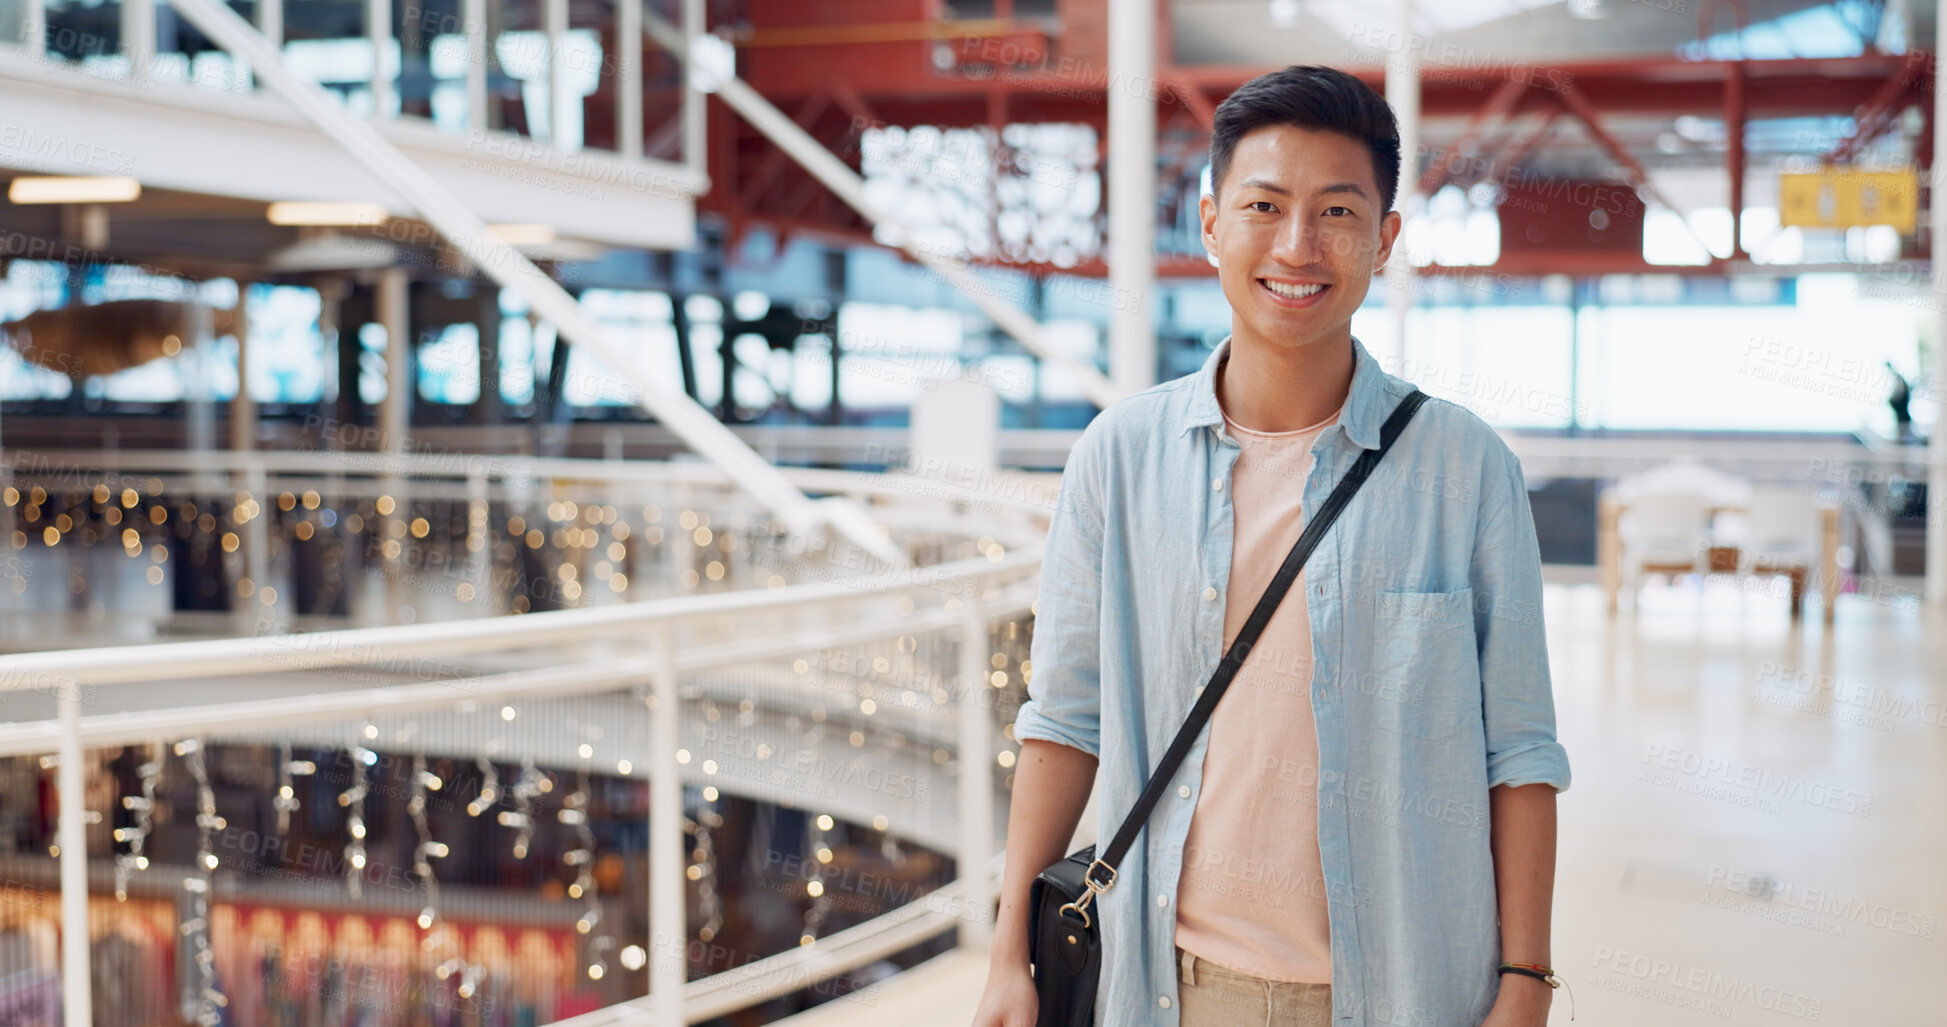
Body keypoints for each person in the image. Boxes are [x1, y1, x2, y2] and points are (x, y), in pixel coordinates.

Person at [971, 65, 1571, 1027]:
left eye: (1337, 212)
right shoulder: (1118, 460)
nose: (1298, 244)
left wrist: (1524, 982)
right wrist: (1008, 953)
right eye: (1264, 205)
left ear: (1383, 239)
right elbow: (1064, 720)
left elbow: (1520, 753)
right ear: (1210, 223)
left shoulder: (1465, 470)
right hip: (1166, 985)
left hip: (1408, 990)